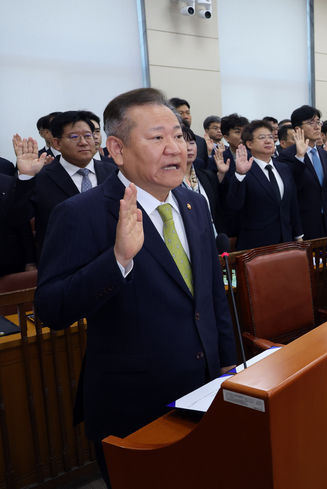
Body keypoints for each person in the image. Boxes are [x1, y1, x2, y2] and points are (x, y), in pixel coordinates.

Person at [34, 88, 236, 486]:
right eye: (157, 137)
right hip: (135, 407)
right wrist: (118, 261)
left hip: (203, 394)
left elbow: (212, 297)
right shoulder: (81, 213)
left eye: (178, 136)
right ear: (117, 149)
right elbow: (50, 309)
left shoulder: (192, 204)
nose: (174, 147)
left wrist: (227, 363)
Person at [14, 111, 117, 252]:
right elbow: (17, 218)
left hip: (111, 257)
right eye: (74, 137)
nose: (83, 142)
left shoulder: (113, 172)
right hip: (62, 261)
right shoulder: (42, 177)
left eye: (88, 136)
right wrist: (26, 176)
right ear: (56, 143)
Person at [225, 120, 303, 250]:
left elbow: (292, 204)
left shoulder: (283, 168)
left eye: (271, 137)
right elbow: (234, 205)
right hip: (256, 245)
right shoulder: (242, 169)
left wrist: (299, 235)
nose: (268, 141)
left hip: (286, 241)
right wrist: (240, 174)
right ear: (249, 143)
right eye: (262, 138)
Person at [277, 105, 327, 240]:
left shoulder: (323, 153)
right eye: (311, 123)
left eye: (318, 122)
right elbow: (290, 189)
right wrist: (300, 157)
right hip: (303, 225)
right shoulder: (287, 156)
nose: (317, 127)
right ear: (298, 129)